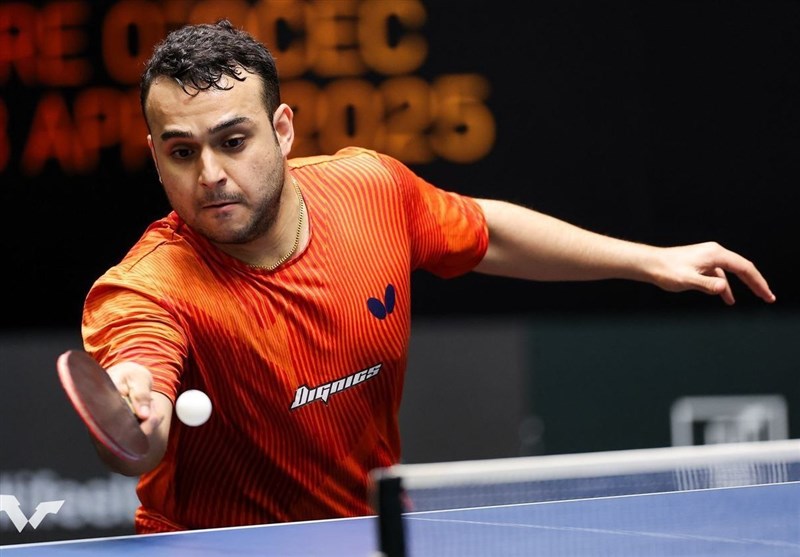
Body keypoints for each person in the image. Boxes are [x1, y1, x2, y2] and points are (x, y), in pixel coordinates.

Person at [80, 19, 776, 534]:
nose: (209, 174)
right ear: (156, 155)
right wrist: (136, 413)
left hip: (370, 533)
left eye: (233, 141)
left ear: (282, 130)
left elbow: (486, 229)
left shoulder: (370, 190)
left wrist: (648, 260)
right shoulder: (146, 287)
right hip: (215, 548)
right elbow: (141, 393)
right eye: (181, 152)